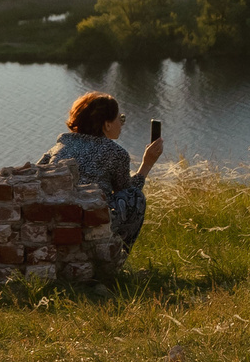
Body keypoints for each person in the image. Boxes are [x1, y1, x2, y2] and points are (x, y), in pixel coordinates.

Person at [40, 92, 163, 248]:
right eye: (121, 118)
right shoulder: (115, 152)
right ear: (107, 124)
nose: (122, 123)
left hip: (55, 220)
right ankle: (116, 256)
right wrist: (147, 163)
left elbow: (37, 174)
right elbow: (128, 192)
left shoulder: (59, 146)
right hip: (88, 222)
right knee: (136, 197)